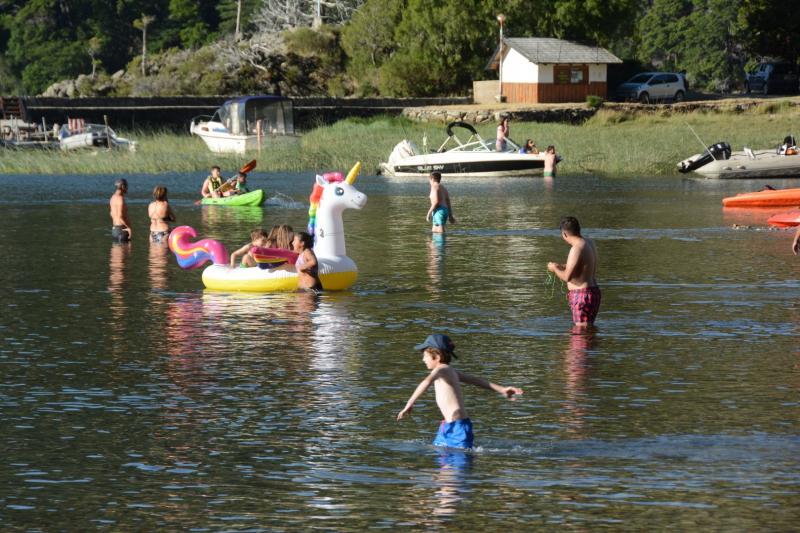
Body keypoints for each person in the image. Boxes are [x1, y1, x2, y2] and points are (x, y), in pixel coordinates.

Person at [397, 333, 523, 449]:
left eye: (425, 355)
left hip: (458, 428)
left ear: (437, 356)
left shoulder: (441, 370)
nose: (423, 359)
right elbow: (475, 380)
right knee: (441, 464)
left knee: (457, 465)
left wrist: (409, 403)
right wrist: (502, 389)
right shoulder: (450, 371)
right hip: (447, 426)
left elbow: (425, 382)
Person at [547, 216, 600, 327]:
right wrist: (560, 266)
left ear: (564, 234)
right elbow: (582, 265)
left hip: (582, 296)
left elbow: (567, 277)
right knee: (587, 333)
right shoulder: (589, 243)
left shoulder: (576, 248)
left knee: (580, 337)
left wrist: (554, 268)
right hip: (592, 292)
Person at [109, 178, 132, 242]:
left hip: (115, 230)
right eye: (126, 186)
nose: (127, 188)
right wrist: (128, 228)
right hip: (122, 231)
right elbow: (120, 216)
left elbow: (111, 214)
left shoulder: (112, 198)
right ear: (122, 186)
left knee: (115, 251)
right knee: (124, 251)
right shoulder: (120, 199)